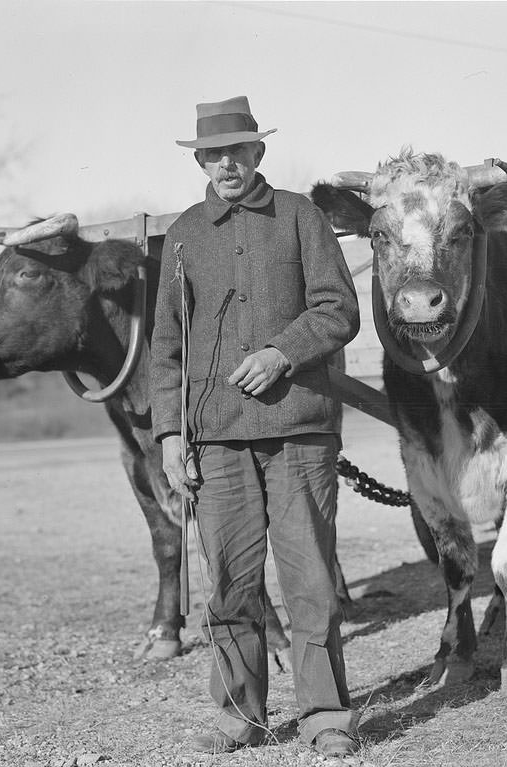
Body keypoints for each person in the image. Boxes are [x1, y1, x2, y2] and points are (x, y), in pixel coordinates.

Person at [149, 96, 361, 757]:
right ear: (201, 161)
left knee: (310, 582)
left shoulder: (301, 217)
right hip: (215, 445)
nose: (225, 164)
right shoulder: (183, 234)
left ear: (258, 153)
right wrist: (169, 434)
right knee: (232, 585)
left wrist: (282, 353)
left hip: (299, 435)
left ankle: (326, 718)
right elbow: (165, 347)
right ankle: (240, 716)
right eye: (212, 154)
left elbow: (338, 309)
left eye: (237, 150)